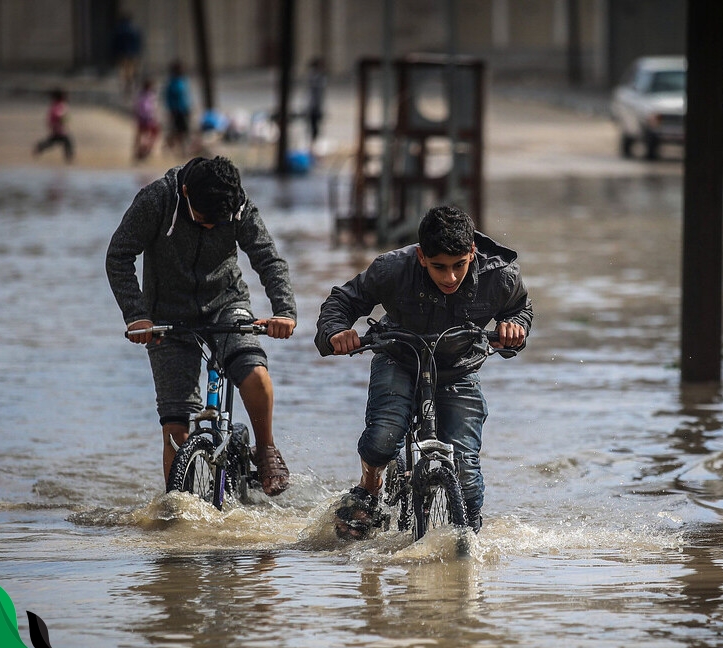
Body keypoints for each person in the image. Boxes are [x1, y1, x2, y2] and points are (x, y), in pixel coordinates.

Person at [315, 204, 533, 539]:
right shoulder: (391, 269)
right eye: (439, 267)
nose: (450, 277)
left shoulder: (500, 275)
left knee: (468, 477)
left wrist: (514, 328)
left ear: (472, 253)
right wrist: (336, 333)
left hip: (459, 368)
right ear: (421, 257)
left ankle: (466, 546)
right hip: (398, 358)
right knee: (383, 438)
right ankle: (369, 487)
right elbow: (342, 301)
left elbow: (521, 307)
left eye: (459, 266)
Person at [106, 156, 297, 495]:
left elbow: (268, 258)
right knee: (176, 427)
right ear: (184, 193)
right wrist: (136, 314)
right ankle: (178, 505)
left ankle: (265, 449)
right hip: (165, 317)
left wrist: (284, 310)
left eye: (218, 223)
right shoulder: (156, 200)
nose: (210, 227)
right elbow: (119, 255)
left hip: (227, 304)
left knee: (255, 375)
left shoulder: (236, 204)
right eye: (204, 220)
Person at [34, 88, 74, 162]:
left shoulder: (57, 105)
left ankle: (39, 147)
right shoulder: (58, 105)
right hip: (58, 129)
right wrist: (62, 119)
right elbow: (58, 116)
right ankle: (69, 158)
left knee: (53, 142)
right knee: (67, 142)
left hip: (59, 128)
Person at [164, 60, 192, 156]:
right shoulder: (172, 83)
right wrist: (171, 110)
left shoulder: (183, 81)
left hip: (184, 109)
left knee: (182, 130)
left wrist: (189, 108)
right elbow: (169, 98)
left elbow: (186, 96)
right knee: (180, 131)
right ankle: (182, 150)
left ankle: (174, 146)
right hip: (176, 111)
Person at [111, 12, 144, 97]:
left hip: (122, 54)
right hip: (133, 54)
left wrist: (114, 53)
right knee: (132, 72)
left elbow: (115, 43)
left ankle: (125, 89)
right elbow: (139, 42)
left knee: (123, 72)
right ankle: (131, 87)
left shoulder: (118, 30)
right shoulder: (135, 29)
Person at [133, 77, 161, 162]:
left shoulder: (148, 95)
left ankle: (144, 150)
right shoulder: (145, 96)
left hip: (147, 118)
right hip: (146, 118)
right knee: (145, 135)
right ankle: (142, 151)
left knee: (149, 135)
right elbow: (145, 108)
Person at [305, 57, 326, 146]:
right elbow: (316, 93)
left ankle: (313, 143)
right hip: (313, 105)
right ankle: (312, 143)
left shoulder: (316, 76)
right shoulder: (317, 77)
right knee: (313, 126)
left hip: (313, 105)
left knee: (314, 126)